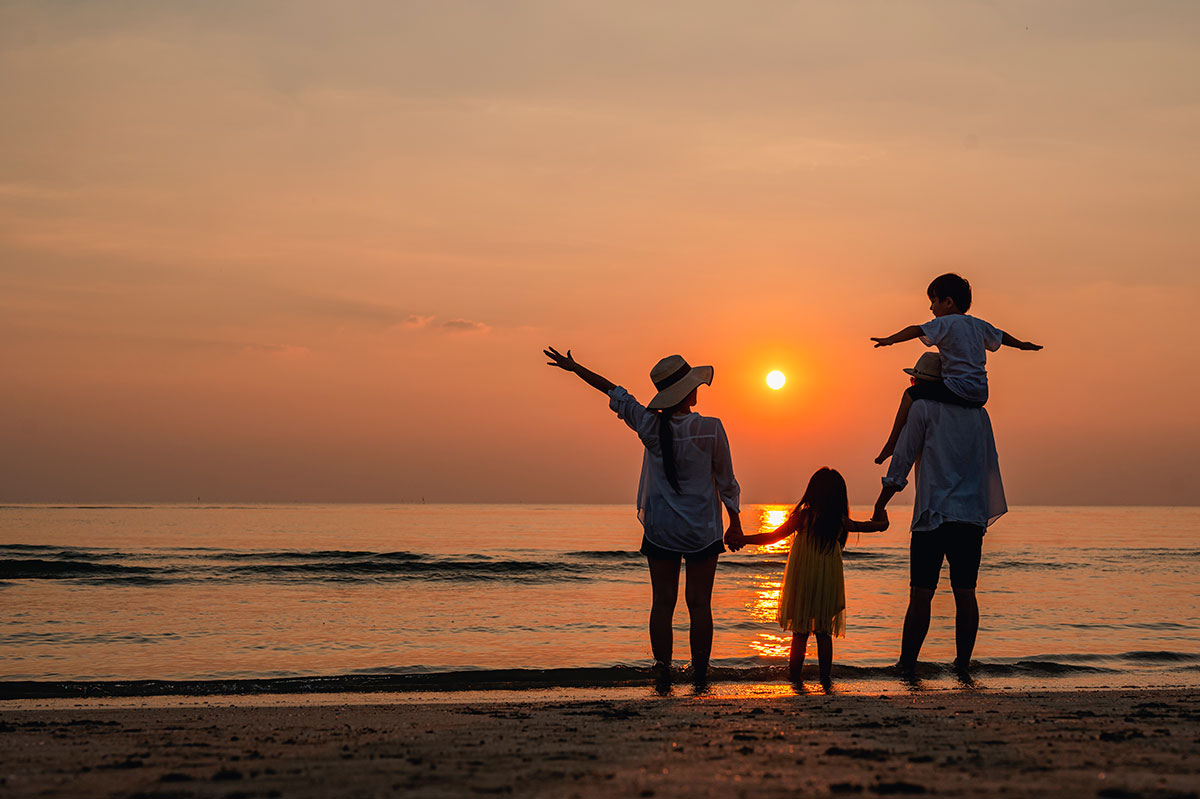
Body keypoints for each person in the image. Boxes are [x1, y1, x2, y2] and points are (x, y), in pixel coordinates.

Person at [543, 347, 742, 688]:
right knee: (699, 605)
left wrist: (576, 368)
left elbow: (611, 389)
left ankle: (662, 670)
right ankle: (700, 675)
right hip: (702, 531)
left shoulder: (649, 424)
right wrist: (735, 523)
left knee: (662, 604)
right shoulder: (710, 428)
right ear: (690, 392)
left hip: (662, 528)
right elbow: (726, 480)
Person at [872, 353, 1009, 680]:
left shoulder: (922, 409)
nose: (911, 384)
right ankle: (962, 665)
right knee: (966, 593)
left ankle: (907, 665)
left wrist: (880, 505)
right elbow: (989, 464)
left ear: (920, 382)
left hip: (932, 515)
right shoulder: (980, 416)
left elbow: (901, 461)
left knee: (921, 593)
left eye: (913, 380)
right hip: (970, 517)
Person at [727, 468, 887, 685]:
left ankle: (795, 678)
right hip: (827, 581)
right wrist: (883, 521)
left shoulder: (802, 517)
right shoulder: (839, 521)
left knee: (800, 633)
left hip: (803, 579)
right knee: (823, 632)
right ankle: (825, 679)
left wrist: (743, 539)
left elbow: (772, 537)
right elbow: (869, 527)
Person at [871, 273, 1041, 464]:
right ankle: (892, 444)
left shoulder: (944, 323)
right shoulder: (978, 324)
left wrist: (890, 340)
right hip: (981, 393)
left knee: (910, 394)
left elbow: (917, 329)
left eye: (934, 301)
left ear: (948, 302)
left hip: (958, 389)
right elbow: (1001, 336)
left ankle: (892, 444)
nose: (931, 308)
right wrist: (1022, 345)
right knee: (935, 385)